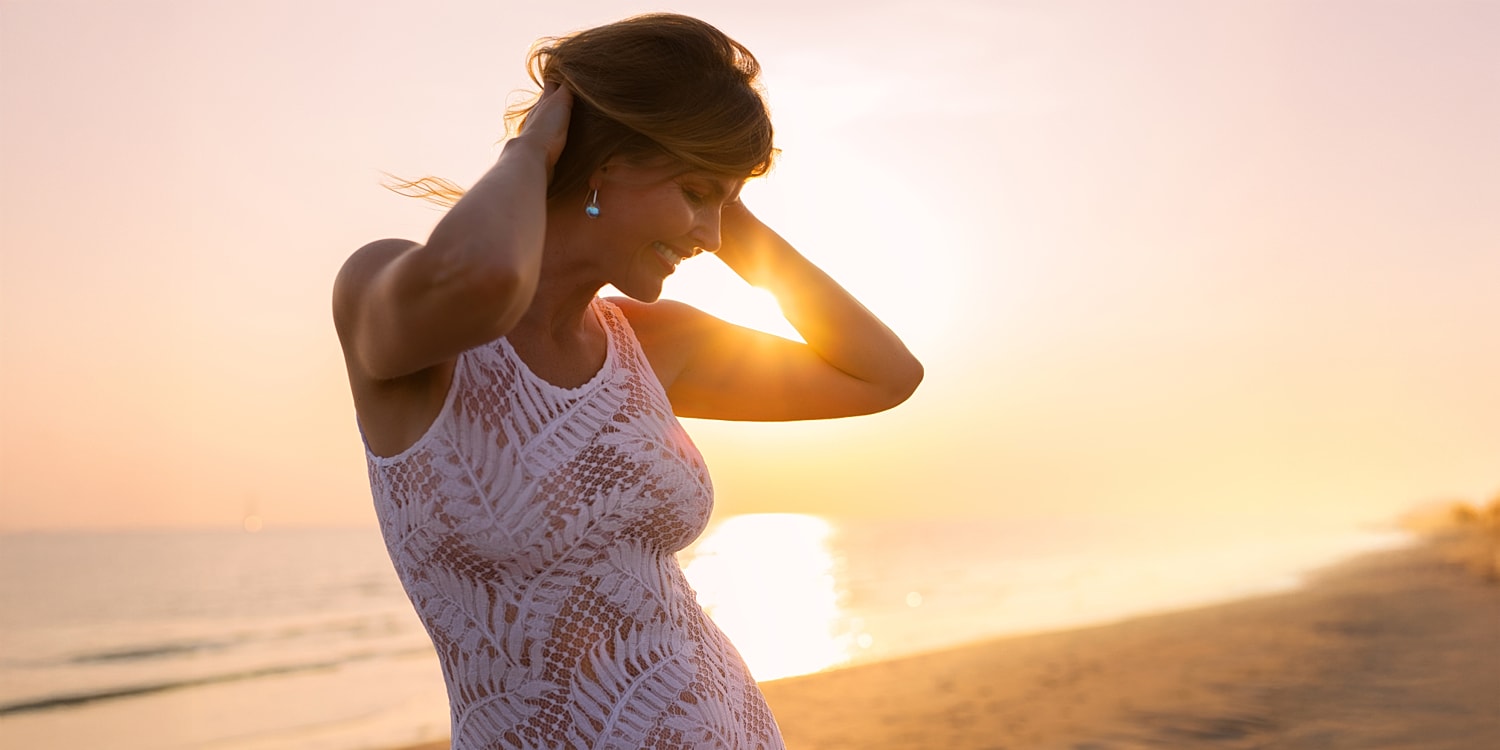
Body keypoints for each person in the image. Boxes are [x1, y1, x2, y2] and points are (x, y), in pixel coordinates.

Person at [332, 13, 922, 749]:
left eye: (724, 204)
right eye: (696, 190)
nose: (711, 238)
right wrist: (534, 147)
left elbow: (884, 375)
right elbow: (486, 277)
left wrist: (722, 203)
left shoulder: (650, 343)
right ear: (605, 161)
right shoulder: (397, 307)